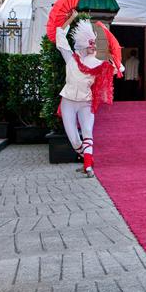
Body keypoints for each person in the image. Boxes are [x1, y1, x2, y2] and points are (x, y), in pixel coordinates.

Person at [55, 12, 121, 177]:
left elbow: (119, 69)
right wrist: (71, 18)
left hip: (86, 102)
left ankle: (88, 166)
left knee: (87, 131)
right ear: (83, 44)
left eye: (94, 44)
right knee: (73, 139)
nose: (93, 46)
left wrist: (112, 59)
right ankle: (88, 159)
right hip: (68, 102)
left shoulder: (98, 63)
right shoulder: (70, 58)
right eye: (90, 44)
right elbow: (60, 35)